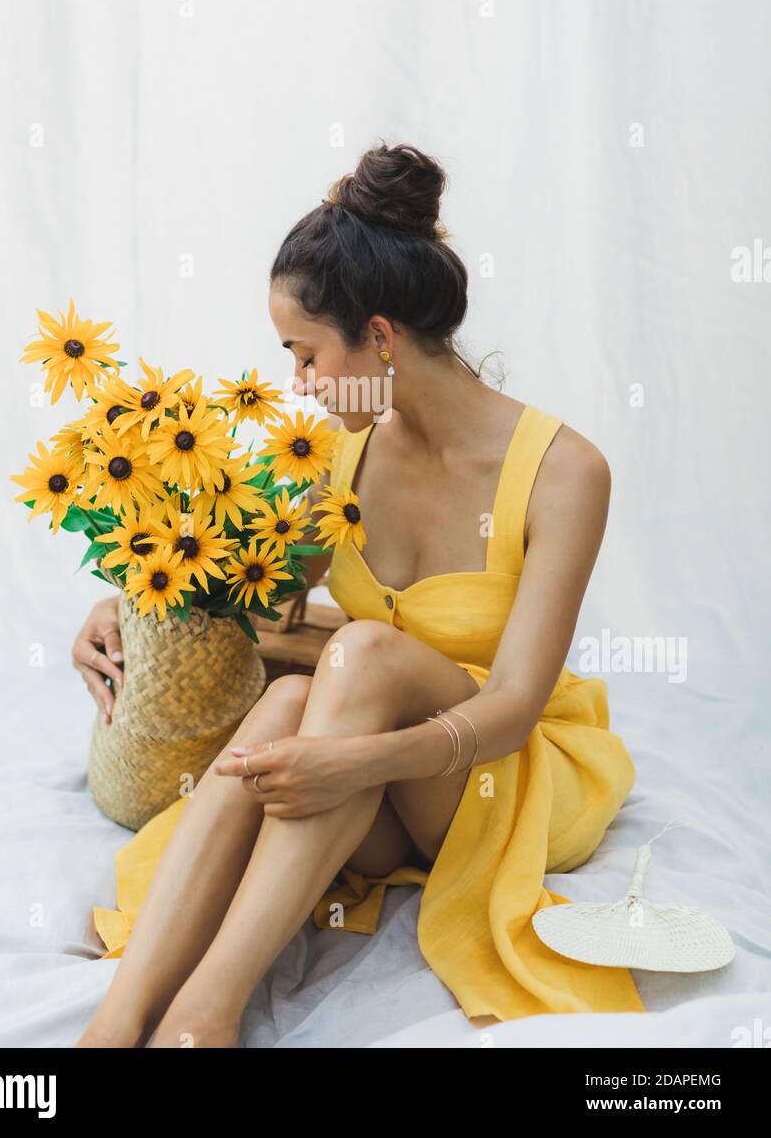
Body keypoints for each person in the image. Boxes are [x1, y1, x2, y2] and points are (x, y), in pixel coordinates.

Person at [75, 141, 644, 1047]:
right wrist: (137, 602)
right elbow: (249, 607)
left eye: (304, 357)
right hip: (372, 781)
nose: (298, 387)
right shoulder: (337, 461)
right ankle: (121, 1023)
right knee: (298, 695)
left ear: (378, 336)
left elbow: (512, 706)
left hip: (497, 780)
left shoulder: (564, 472)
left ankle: (206, 1011)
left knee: (364, 653)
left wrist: (360, 762)